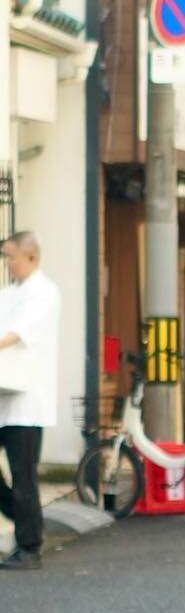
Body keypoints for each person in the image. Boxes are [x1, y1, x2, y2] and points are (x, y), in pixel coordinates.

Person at [0, 232, 61, 571]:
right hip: (4, 395)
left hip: (27, 400)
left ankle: (29, 547)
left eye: (12, 257)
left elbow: (17, 334)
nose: (8, 263)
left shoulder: (45, 292)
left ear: (32, 258)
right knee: (20, 480)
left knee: (24, 476)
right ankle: (26, 519)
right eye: (6, 257)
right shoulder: (9, 293)